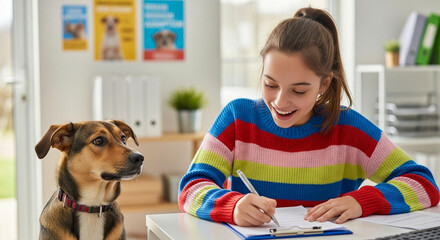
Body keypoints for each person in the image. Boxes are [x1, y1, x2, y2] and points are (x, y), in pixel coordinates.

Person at [178, 7, 440, 227]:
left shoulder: (349, 128)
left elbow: (424, 184)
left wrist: (361, 201)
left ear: (324, 84)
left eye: (299, 90)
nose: (280, 102)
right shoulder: (237, 119)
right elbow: (191, 188)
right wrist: (232, 206)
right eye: (270, 84)